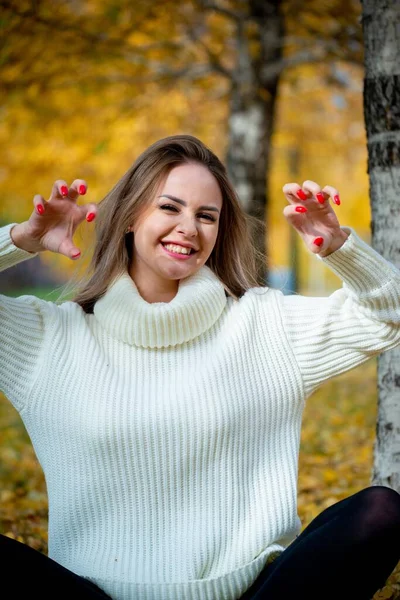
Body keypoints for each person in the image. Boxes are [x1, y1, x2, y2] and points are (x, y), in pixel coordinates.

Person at [1, 134, 400, 600]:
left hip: (251, 595)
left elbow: (386, 317)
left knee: (381, 510)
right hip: (96, 596)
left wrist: (340, 249)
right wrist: (19, 240)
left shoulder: (265, 323)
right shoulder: (49, 338)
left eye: (206, 215)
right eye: (170, 208)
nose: (189, 228)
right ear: (130, 216)